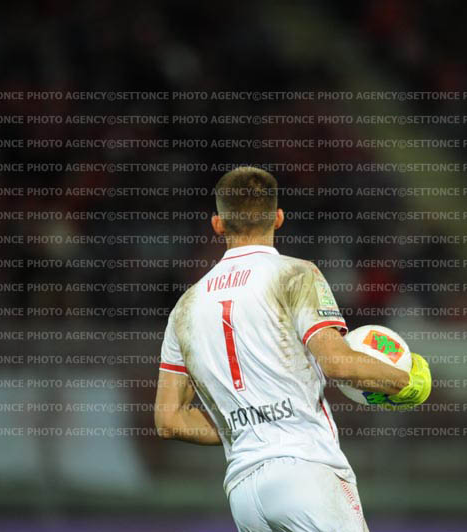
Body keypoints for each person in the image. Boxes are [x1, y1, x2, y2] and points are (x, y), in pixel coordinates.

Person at [154, 166, 431, 531]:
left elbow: (169, 419)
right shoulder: (295, 275)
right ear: (279, 218)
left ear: (218, 224)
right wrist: (407, 381)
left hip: (244, 493)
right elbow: (338, 364)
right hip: (305, 470)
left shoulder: (185, 308)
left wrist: (246, 424)